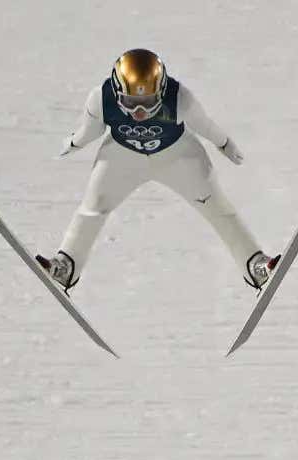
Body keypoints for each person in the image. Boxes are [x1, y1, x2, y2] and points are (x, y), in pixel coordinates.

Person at [35, 49, 278, 294]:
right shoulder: (101, 98)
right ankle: (67, 264)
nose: (140, 111)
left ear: (161, 90)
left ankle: (255, 264)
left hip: (177, 156)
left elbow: (203, 125)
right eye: (131, 102)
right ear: (118, 91)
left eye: (149, 101)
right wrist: (73, 143)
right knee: (93, 207)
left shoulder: (179, 97)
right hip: (122, 157)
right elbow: (92, 130)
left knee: (217, 207)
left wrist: (224, 143)